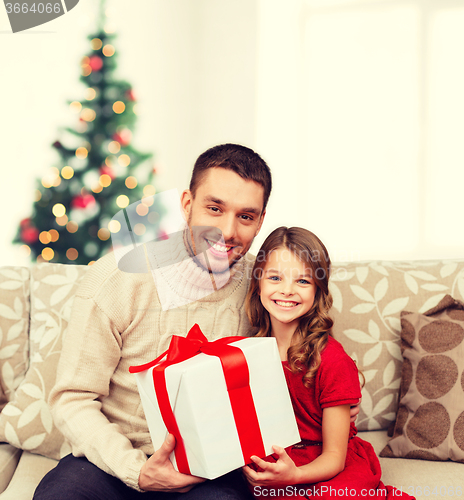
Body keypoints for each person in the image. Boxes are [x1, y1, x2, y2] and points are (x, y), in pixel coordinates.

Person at [33, 144, 359, 500]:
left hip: (212, 470)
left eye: (246, 217)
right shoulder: (116, 279)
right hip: (112, 462)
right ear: (187, 204)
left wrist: (334, 403)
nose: (227, 231)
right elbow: (72, 398)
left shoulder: (266, 284)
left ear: (261, 221)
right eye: (214, 209)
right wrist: (136, 471)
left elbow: (302, 349)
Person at [241, 226, 414, 500]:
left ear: (318, 290)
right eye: (275, 277)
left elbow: (334, 456)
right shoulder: (248, 353)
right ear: (258, 283)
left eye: (303, 281)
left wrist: (295, 476)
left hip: (331, 465)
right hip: (283, 462)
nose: (287, 290)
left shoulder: (332, 360)